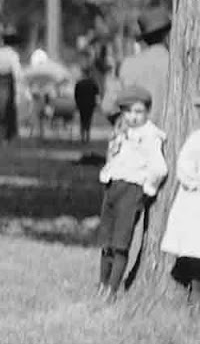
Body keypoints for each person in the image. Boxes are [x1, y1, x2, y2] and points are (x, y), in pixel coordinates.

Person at [97, 86, 167, 300]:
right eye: (128, 112)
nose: (133, 117)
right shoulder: (121, 130)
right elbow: (114, 156)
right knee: (106, 240)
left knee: (121, 241)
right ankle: (102, 282)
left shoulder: (150, 135)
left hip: (132, 189)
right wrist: (107, 174)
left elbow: (158, 167)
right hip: (113, 187)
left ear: (147, 112)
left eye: (138, 112)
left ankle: (113, 289)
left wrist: (148, 188)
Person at [108, 8, 171, 127]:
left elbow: (109, 107)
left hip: (135, 137)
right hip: (171, 137)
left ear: (145, 39)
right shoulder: (178, 66)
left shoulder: (127, 65)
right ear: (167, 35)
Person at [159, 98, 200, 281]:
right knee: (195, 245)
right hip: (195, 199)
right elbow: (184, 165)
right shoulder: (196, 140)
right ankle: (196, 292)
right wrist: (194, 180)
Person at [73, 59, 101, 145]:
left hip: (81, 104)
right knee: (88, 119)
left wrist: (77, 104)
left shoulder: (79, 83)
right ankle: (87, 136)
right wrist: (97, 104)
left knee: (82, 119)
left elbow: (76, 95)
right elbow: (97, 93)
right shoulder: (93, 83)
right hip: (90, 104)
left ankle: (82, 137)